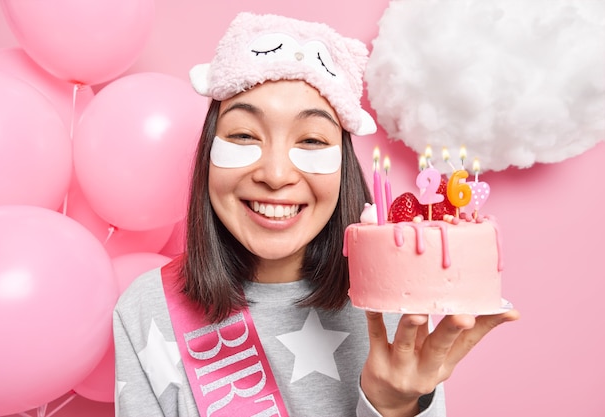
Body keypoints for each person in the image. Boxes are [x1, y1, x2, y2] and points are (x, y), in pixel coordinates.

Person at [113, 12, 519, 417]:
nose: (275, 175)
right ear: (208, 152)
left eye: (310, 140)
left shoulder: (395, 304)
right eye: (242, 135)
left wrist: (393, 406)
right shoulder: (149, 310)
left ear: (344, 166)